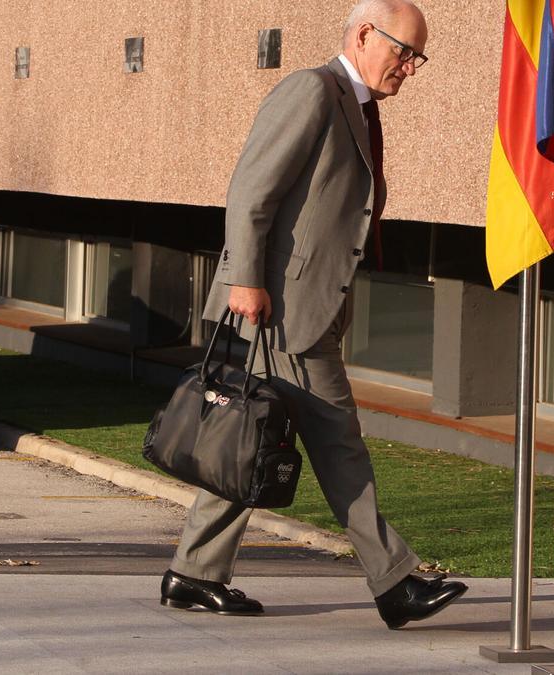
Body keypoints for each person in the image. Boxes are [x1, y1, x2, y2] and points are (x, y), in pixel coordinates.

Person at [159, 0, 467, 629]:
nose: (410, 67)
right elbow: (250, 189)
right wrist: (245, 279)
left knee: (252, 437)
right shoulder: (312, 90)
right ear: (364, 35)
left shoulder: (356, 106)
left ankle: (193, 573)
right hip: (279, 309)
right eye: (404, 51)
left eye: (418, 57)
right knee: (338, 443)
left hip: (308, 308)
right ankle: (396, 581)